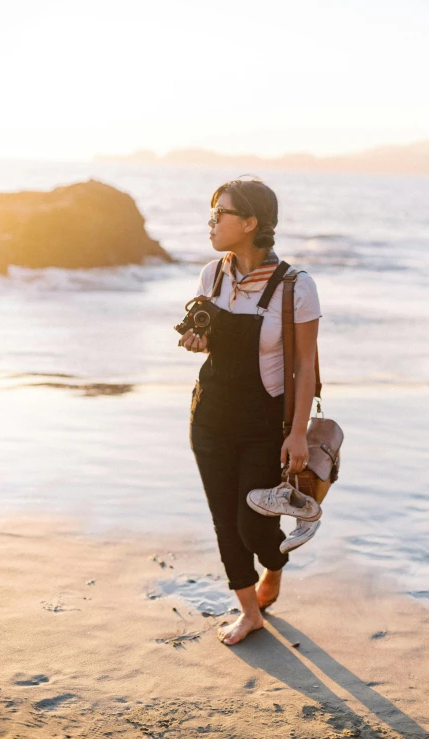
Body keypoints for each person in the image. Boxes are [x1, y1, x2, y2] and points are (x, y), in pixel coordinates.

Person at [179, 177, 322, 646]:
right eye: (211, 213)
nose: (212, 222)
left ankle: (274, 567)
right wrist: (198, 342)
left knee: (252, 522)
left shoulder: (296, 287)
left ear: (250, 222)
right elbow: (216, 350)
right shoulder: (212, 275)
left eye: (220, 214)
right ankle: (249, 611)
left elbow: (304, 364)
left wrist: (297, 433)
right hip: (210, 417)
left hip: (265, 424)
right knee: (224, 519)